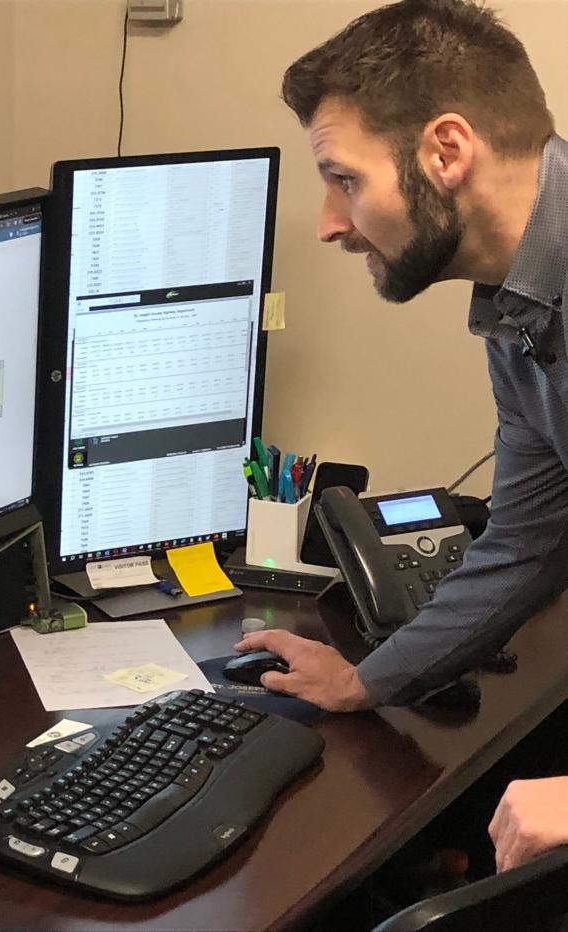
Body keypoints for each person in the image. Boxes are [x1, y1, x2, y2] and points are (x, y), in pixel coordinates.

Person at [233, 0, 568, 871]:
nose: (328, 223)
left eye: (343, 178)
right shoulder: (520, 310)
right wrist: (362, 679)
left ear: (446, 152)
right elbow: (530, 540)